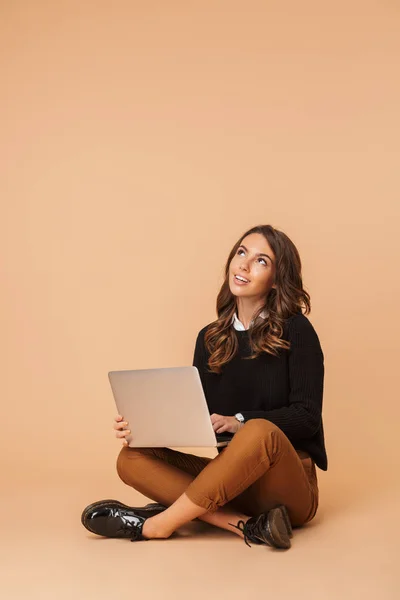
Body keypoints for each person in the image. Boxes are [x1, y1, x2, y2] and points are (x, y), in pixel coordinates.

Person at [81, 224, 327, 550]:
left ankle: (159, 524)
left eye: (261, 261)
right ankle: (244, 525)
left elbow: (307, 416)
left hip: (287, 485)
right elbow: (200, 419)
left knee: (257, 431)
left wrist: (240, 422)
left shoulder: (297, 330)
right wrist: (146, 427)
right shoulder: (210, 339)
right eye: (241, 253)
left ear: (278, 279)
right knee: (130, 458)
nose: (243, 265)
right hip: (232, 482)